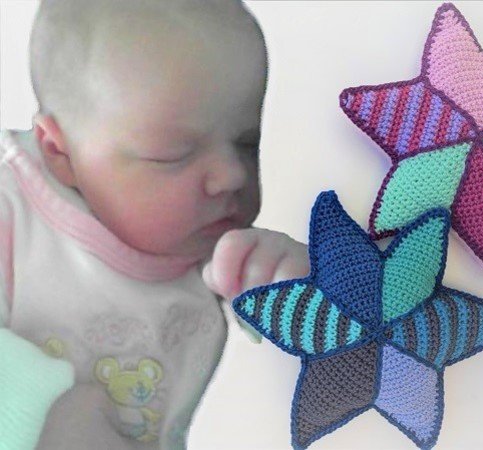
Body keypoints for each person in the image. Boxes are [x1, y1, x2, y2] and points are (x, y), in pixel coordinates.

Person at [0, 0, 309, 448]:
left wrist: (299, 284)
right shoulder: (14, 214)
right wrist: (42, 416)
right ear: (60, 153)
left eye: (247, 143)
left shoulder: (210, 246)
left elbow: (335, 344)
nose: (231, 175)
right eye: (173, 155)